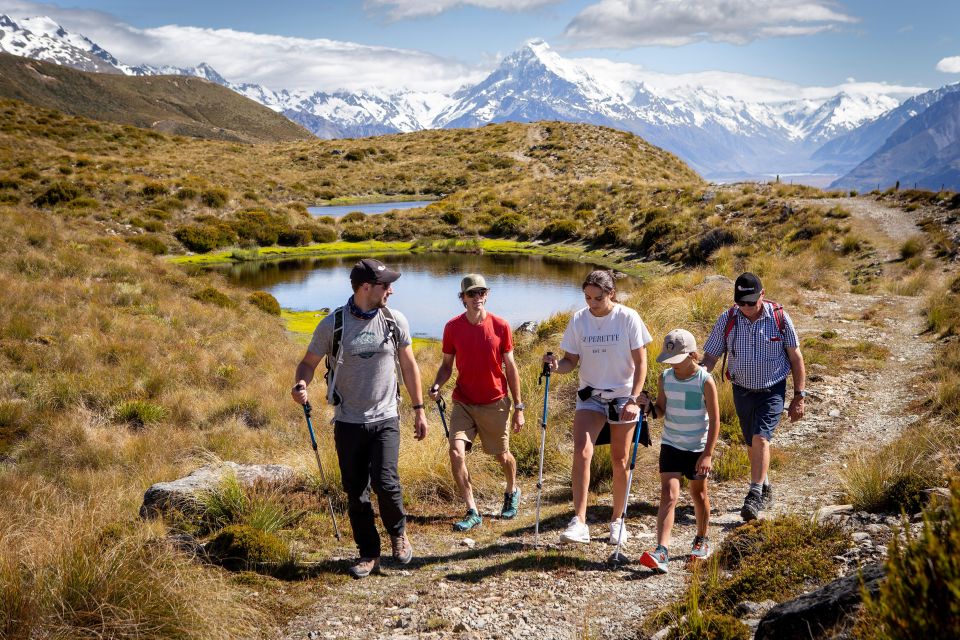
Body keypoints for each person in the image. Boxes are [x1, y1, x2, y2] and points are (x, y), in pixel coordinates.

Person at [291, 258, 428, 579]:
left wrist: (420, 410)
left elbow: (409, 367)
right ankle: (369, 553)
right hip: (348, 421)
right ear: (366, 288)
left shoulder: (395, 321)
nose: (391, 290)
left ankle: (398, 533)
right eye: (385, 285)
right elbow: (308, 363)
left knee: (386, 481)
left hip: (386, 417)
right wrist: (301, 384)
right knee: (356, 491)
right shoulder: (333, 324)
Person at [543, 269, 651, 545]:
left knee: (620, 459)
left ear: (611, 293)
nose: (591, 303)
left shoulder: (628, 318)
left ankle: (618, 520)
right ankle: (579, 521)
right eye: (587, 297)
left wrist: (634, 400)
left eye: (597, 298)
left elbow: (641, 364)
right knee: (581, 452)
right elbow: (570, 361)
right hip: (590, 395)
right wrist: (556, 367)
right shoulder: (580, 320)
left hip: (622, 396)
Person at [701, 272, 806, 522]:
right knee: (751, 443)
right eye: (741, 302)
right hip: (741, 391)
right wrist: (695, 378)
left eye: (751, 302)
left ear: (763, 294)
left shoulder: (779, 318)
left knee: (760, 438)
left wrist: (799, 396)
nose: (746, 307)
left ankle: (754, 494)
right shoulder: (728, 319)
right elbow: (710, 357)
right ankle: (765, 485)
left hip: (772, 390)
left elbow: (796, 358)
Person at [428, 274, 525, 531]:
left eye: (481, 292)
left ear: (487, 295)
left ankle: (512, 490)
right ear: (463, 299)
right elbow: (447, 366)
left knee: (501, 456)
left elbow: (511, 367)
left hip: (495, 402)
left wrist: (519, 407)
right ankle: (472, 510)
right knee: (456, 452)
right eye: (471, 294)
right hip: (464, 402)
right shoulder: (452, 327)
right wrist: (437, 385)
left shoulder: (501, 326)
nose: (477, 297)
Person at [638, 329, 720, 574]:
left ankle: (701, 539)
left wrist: (708, 454)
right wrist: (649, 408)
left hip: (697, 447)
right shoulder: (665, 377)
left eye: (677, 359)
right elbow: (661, 410)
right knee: (668, 494)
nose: (672, 364)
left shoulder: (705, 380)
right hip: (671, 443)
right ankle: (661, 550)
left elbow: (715, 420)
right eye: (669, 359)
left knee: (699, 494)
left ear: (692, 354)